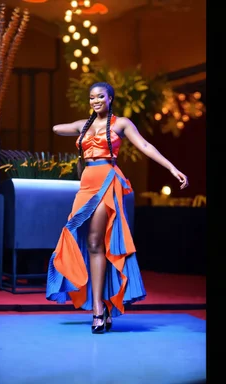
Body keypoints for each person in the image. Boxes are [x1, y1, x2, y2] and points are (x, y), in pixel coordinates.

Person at [46, 82, 188, 334]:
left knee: (94, 241)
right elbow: (57, 129)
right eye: (91, 98)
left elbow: (145, 146)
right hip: (86, 183)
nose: (96, 101)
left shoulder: (121, 123)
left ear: (110, 98)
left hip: (107, 181)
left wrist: (171, 167)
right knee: (84, 239)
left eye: (100, 96)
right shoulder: (84, 125)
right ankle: (104, 304)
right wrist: (79, 125)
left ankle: (98, 309)